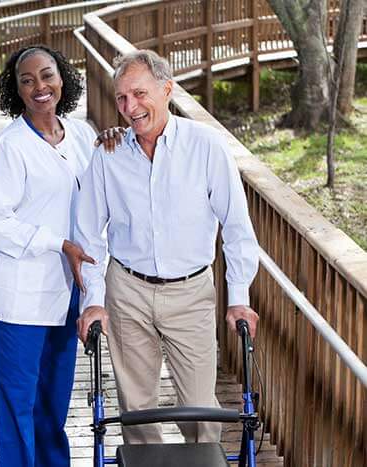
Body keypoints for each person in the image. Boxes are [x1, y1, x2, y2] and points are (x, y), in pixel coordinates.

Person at [69, 49, 260, 445]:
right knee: (136, 410)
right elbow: (88, 235)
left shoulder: (205, 146)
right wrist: (94, 298)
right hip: (128, 291)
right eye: (121, 98)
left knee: (200, 409)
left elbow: (238, 226)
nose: (130, 107)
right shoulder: (108, 153)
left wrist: (238, 297)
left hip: (190, 292)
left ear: (167, 89)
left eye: (139, 94)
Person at [0, 45, 97, 467]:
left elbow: (103, 186)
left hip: (67, 293)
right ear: (16, 91)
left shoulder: (82, 135)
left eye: (46, 75)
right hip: (20, 297)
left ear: (62, 78)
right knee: (18, 406)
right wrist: (58, 243)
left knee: (53, 404)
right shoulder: (10, 146)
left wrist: (120, 140)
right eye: (26, 81)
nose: (39, 87)